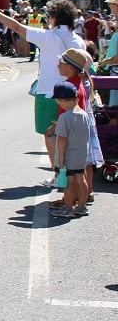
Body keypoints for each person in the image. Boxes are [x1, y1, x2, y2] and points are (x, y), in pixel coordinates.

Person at [0, 0, 85, 167]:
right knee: (69, 134)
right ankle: (70, 171)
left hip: (48, 93)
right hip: (74, 93)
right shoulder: (79, 40)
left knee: (50, 134)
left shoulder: (48, 36)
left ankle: (58, 171)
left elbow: (17, 27)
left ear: (54, 17)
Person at [50, 81, 91, 219]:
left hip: (69, 155)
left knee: (69, 183)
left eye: (58, 101)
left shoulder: (64, 117)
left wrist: (60, 157)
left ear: (64, 100)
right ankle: (81, 207)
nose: (58, 103)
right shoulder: (84, 114)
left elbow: (61, 139)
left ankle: (68, 208)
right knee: (81, 179)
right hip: (81, 155)